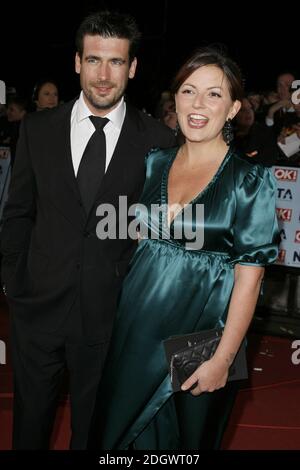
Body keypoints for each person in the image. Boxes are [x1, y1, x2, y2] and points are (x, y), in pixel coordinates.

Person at [0, 10, 175, 450]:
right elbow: (17, 212)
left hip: (110, 318)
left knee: (96, 436)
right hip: (37, 311)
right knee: (29, 430)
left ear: (132, 68)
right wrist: (14, 284)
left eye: (116, 62)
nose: (103, 74)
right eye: (94, 60)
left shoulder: (157, 140)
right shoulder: (37, 129)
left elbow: (160, 235)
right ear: (77, 62)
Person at [89, 46, 279, 450]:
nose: (198, 103)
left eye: (214, 94)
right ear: (174, 99)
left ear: (232, 109)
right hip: (135, 332)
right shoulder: (154, 162)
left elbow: (250, 281)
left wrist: (224, 359)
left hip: (201, 341)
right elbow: (139, 246)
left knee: (185, 445)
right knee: (117, 441)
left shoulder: (250, 181)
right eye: (189, 90)